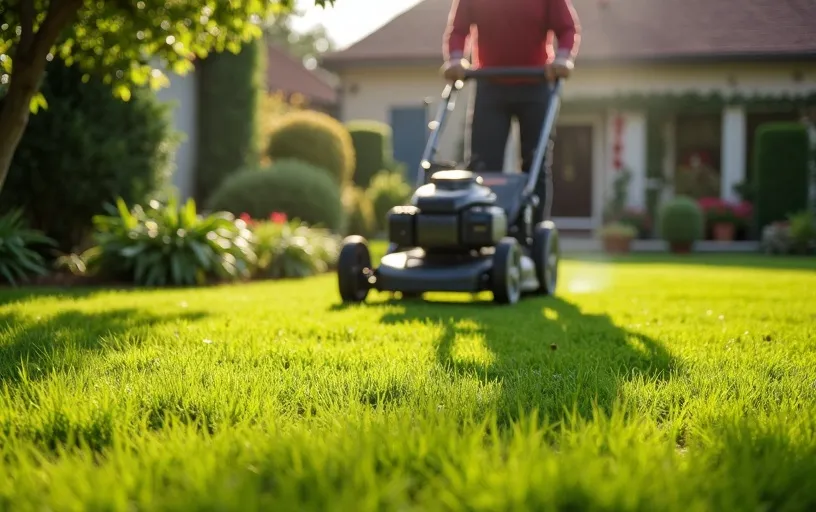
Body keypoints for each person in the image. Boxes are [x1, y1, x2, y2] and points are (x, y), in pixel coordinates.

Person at [441, 0, 580, 221]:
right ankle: (482, 225)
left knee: (535, 164)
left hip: (536, 85)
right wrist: (456, 57)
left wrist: (563, 57)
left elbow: (567, 28)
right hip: (490, 86)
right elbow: (458, 29)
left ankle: (533, 230)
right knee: (483, 166)